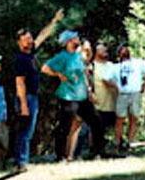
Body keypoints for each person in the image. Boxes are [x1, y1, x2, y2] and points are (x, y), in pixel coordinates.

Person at [13, 8, 64, 170]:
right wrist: (23, 104)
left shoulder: (30, 53)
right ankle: (21, 163)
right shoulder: (21, 59)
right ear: (19, 42)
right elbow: (19, 83)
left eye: (29, 38)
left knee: (27, 132)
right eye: (25, 39)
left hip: (32, 96)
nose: (29, 41)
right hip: (25, 97)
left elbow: (42, 35)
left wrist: (54, 21)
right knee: (24, 132)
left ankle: (22, 161)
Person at [42, 30, 104, 161]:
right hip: (68, 97)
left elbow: (83, 74)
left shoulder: (77, 56)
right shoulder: (62, 57)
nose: (78, 39)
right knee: (64, 126)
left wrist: (89, 91)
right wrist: (58, 74)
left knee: (96, 121)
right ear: (69, 42)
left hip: (82, 96)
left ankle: (98, 151)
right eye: (75, 38)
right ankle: (61, 155)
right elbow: (45, 68)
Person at [113, 44, 145, 150]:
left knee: (133, 118)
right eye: (122, 50)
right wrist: (115, 87)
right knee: (120, 119)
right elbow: (108, 79)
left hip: (135, 93)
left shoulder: (138, 62)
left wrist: (144, 85)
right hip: (122, 94)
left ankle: (130, 142)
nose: (125, 51)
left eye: (126, 49)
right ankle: (117, 142)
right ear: (119, 54)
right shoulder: (116, 67)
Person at [90, 43, 118, 156]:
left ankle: (111, 149)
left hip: (112, 103)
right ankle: (94, 150)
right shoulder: (92, 66)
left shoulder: (111, 65)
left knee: (109, 127)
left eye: (105, 49)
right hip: (97, 102)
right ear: (96, 52)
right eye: (102, 49)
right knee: (96, 128)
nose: (105, 51)